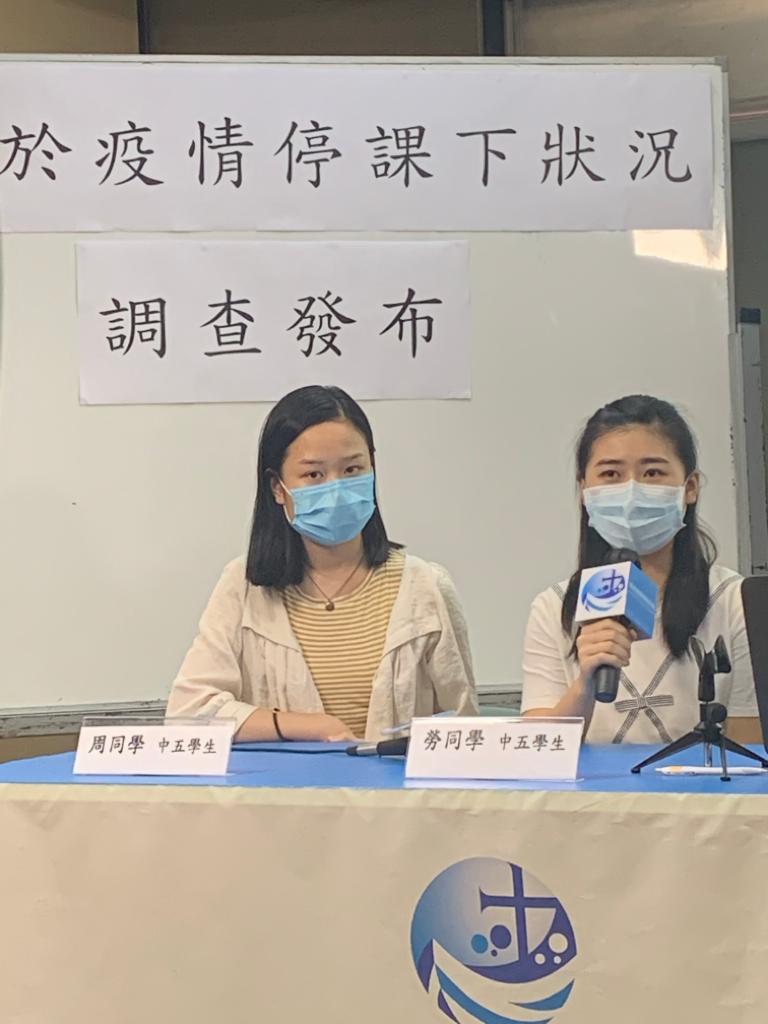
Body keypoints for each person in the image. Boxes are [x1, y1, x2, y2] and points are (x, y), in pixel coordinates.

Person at [167, 385, 477, 742]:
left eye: (352, 469)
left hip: (394, 782)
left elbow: (463, 729)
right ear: (278, 487)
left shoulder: (425, 587)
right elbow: (189, 712)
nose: (337, 489)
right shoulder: (243, 586)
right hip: (287, 781)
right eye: (314, 475)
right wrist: (308, 726)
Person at [521, 394, 760, 744]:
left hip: (700, 782)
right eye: (611, 474)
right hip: (588, 784)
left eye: (652, 473)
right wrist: (586, 683)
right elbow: (537, 750)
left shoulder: (734, 601)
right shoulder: (553, 606)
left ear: (690, 487)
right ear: (584, 490)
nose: (631, 491)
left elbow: (749, 750)